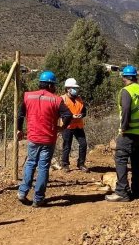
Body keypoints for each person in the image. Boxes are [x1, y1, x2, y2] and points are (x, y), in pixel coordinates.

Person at [17, 71, 73, 207]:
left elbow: (20, 115)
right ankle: (38, 198)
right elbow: (68, 115)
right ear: (49, 85)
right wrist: (62, 127)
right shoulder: (56, 99)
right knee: (43, 167)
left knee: (30, 163)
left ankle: (22, 192)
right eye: (53, 85)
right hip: (48, 138)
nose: (54, 87)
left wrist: (19, 129)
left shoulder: (27, 96)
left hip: (33, 137)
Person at [106, 65, 139, 202]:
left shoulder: (126, 91)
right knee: (137, 161)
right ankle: (136, 189)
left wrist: (124, 128)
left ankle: (122, 192)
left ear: (124, 77)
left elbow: (126, 110)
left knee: (121, 159)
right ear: (135, 77)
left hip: (129, 132)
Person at [60, 78, 88, 172]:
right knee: (67, 146)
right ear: (68, 88)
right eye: (73, 88)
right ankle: (65, 164)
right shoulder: (62, 99)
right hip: (67, 126)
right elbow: (59, 113)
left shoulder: (79, 99)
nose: (76, 90)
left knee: (83, 144)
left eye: (76, 88)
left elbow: (84, 111)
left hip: (78, 126)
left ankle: (81, 164)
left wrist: (81, 115)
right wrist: (71, 116)